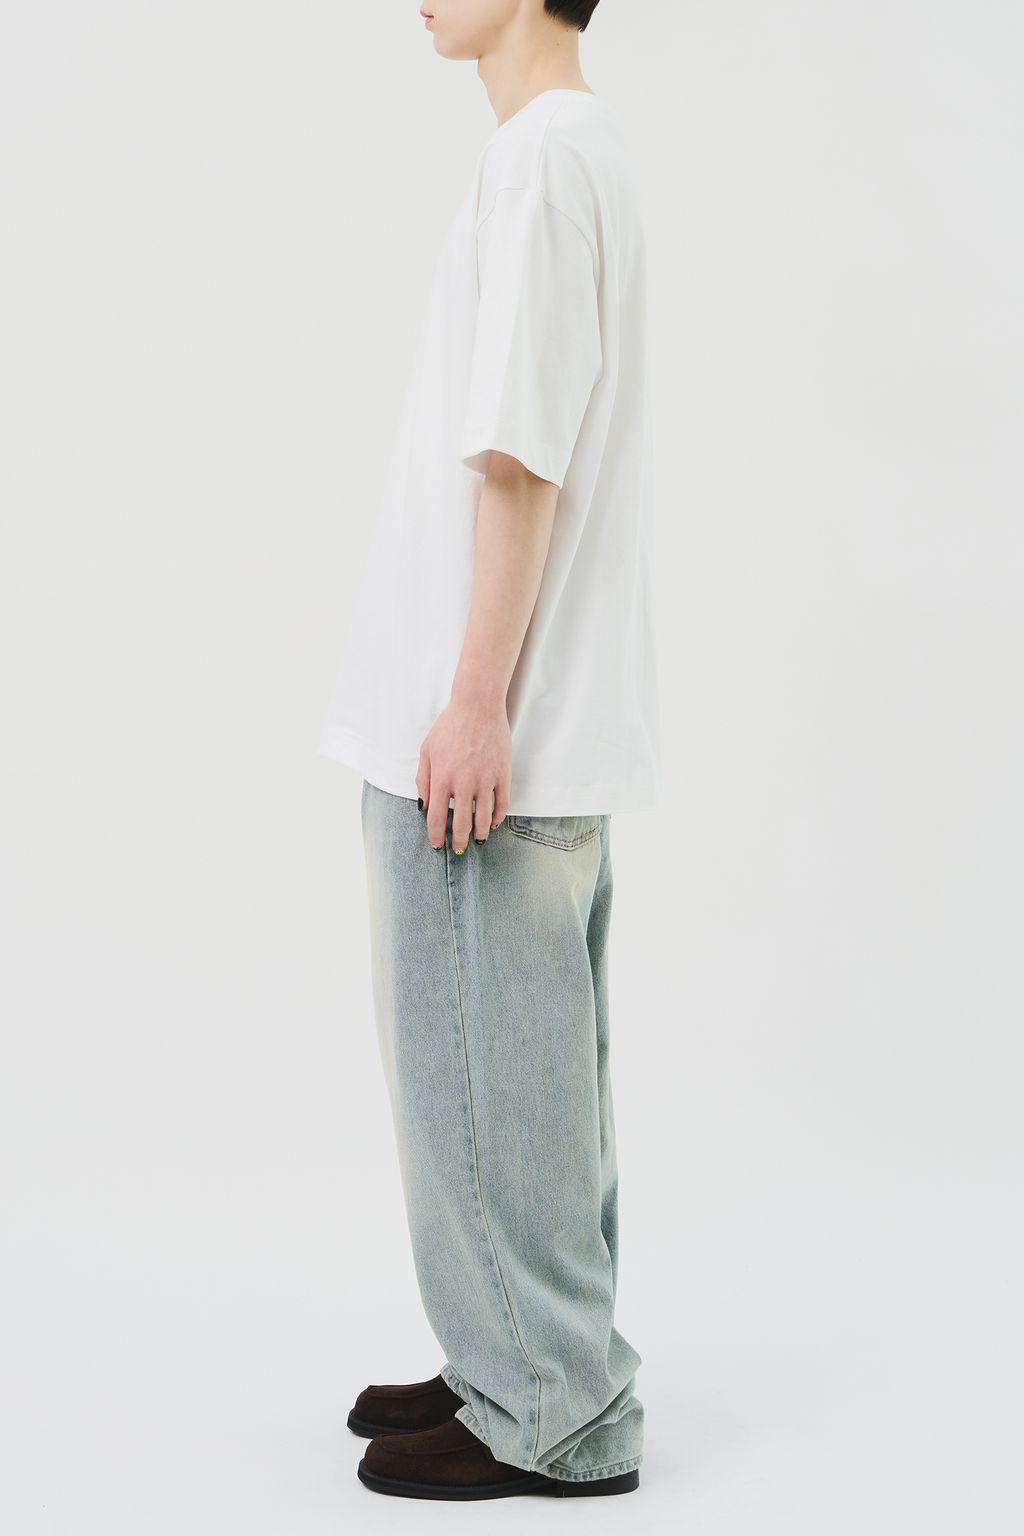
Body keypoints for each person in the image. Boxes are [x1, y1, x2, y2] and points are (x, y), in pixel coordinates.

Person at [318, 0, 662, 1502]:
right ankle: (518, 1362)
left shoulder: (539, 164)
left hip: (484, 743)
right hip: (543, 728)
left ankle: (550, 1409)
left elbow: (519, 459)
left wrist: (472, 699)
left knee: (478, 1082)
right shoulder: (582, 153)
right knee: (534, 1089)